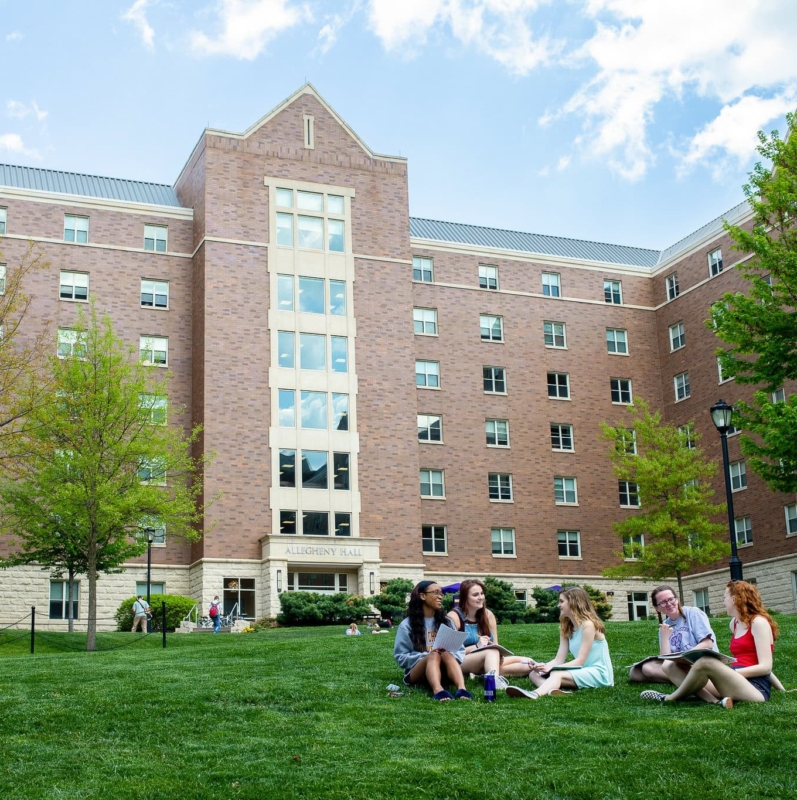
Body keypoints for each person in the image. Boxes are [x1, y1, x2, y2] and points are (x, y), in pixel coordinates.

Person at [641, 580, 779, 708]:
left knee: (705, 661)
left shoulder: (759, 623)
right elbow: (751, 658)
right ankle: (716, 702)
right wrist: (782, 690)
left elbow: (766, 667)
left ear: (735, 599)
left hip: (755, 688)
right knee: (668, 665)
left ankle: (669, 698)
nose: (723, 602)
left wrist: (732, 673)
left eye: (724, 597)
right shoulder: (735, 624)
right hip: (733, 682)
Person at [507, 587, 613, 699]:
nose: (558, 605)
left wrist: (552, 669)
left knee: (556, 673)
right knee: (534, 674)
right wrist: (543, 667)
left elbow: (580, 661)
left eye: (562, 601)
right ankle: (553, 690)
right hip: (582, 671)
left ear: (573, 603)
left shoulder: (588, 625)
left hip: (599, 673)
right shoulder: (566, 627)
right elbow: (558, 660)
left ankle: (535, 694)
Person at [629, 585, 720, 703]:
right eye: (663, 602)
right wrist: (665, 637)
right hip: (681, 666)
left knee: (650, 670)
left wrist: (685, 656)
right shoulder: (665, 626)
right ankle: (681, 680)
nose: (668, 604)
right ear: (657, 608)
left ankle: (707, 697)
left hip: (701, 663)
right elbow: (665, 659)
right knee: (636, 671)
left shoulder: (693, 613)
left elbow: (707, 643)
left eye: (671, 599)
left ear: (676, 599)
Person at [447, 579, 536, 688]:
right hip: (460, 661)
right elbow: (450, 654)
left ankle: (485, 674)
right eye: (475, 595)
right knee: (492, 651)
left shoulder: (488, 615)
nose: (481, 597)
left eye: (482, 593)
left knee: (528, 663)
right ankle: (493, 681)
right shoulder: (454, 617)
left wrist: (499, 655)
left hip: (488, 658)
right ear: (465, 598)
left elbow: (495, 644)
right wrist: (476, 646)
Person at [394, 580, 473, 701]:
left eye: (441, 593)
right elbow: (401, 657)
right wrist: (428, 655)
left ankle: (462, 689)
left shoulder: (447, 622)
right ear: (423, 596)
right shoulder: (407, 625)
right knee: (434, 655)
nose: (440, 597)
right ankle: (438, 690)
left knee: (445, 653)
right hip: (418, 672)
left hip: (445, 669)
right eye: (436, 592)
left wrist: (447, 656)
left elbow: (460, 650)